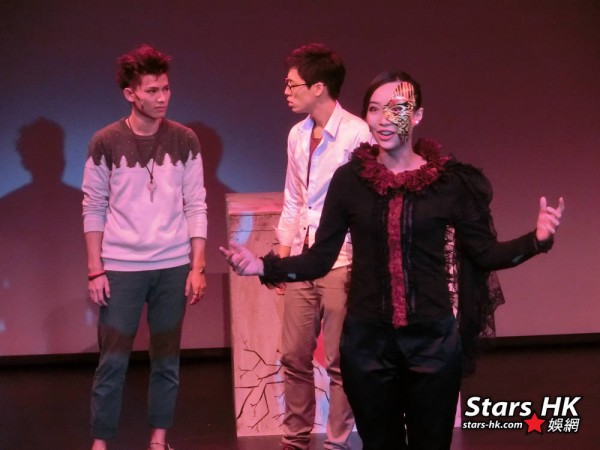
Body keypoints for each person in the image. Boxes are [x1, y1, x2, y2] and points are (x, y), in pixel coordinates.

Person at [220, 71, 564, 450]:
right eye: (374, 109)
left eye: (396, 109)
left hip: (431, 344)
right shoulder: (350, 181)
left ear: (417, 116)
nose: (384, 119)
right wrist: (263, 266)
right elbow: (320, 259)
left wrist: (537, 240)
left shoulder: (448, 183)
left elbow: (485, 253)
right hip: (368, 346)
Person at [82, 44, 207, 450]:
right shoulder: (106, 141)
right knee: (112, 361)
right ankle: (100, 443)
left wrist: (197, 265)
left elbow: (196, 204)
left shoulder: (185, 139)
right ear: (130, 94)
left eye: (165, 88)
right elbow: (93, 206)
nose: (162, 97)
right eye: (152, 90)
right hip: (121, 268)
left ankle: (158, 440)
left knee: (166, 360)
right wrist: (95, 269)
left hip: (172, 266)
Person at [273, 43, 371, 450]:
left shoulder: (357, 134)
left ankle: (336, 441)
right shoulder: (296, 135)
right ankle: (295, 439)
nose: (286, 92)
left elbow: (365, 203)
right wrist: (282, 256)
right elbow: (294, 199)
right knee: (293, 355)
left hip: (342, 259)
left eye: (292, 84)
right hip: (303, 257)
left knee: (339, 361)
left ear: (319, 87)